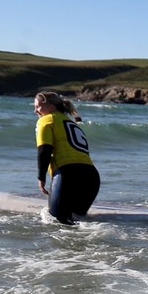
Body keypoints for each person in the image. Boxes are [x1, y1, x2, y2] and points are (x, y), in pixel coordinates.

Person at [34, 91, 99, 224]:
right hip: (91, 178)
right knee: (79, 223)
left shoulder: (46, 120)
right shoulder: (71, 123)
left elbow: (44, 150)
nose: (35, 111)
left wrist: (41, 178)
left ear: (51, 107)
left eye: (38, 106)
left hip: (68, 175)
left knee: (57, 222)